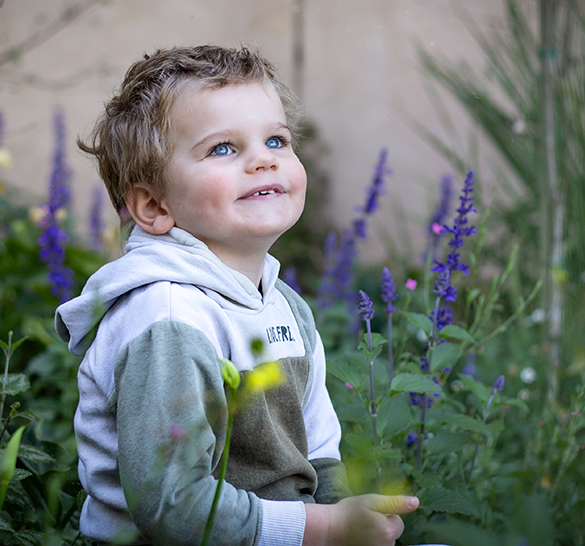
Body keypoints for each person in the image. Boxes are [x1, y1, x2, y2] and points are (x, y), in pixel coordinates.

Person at [55, 45, 419, 546]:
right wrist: (326, 529)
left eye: (276, 140)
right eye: (223, 148)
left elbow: (318, 454)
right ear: (154, 205)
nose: (263, 160)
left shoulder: (285, 306)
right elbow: (174, 506)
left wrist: (348, 513)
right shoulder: (166, 317)